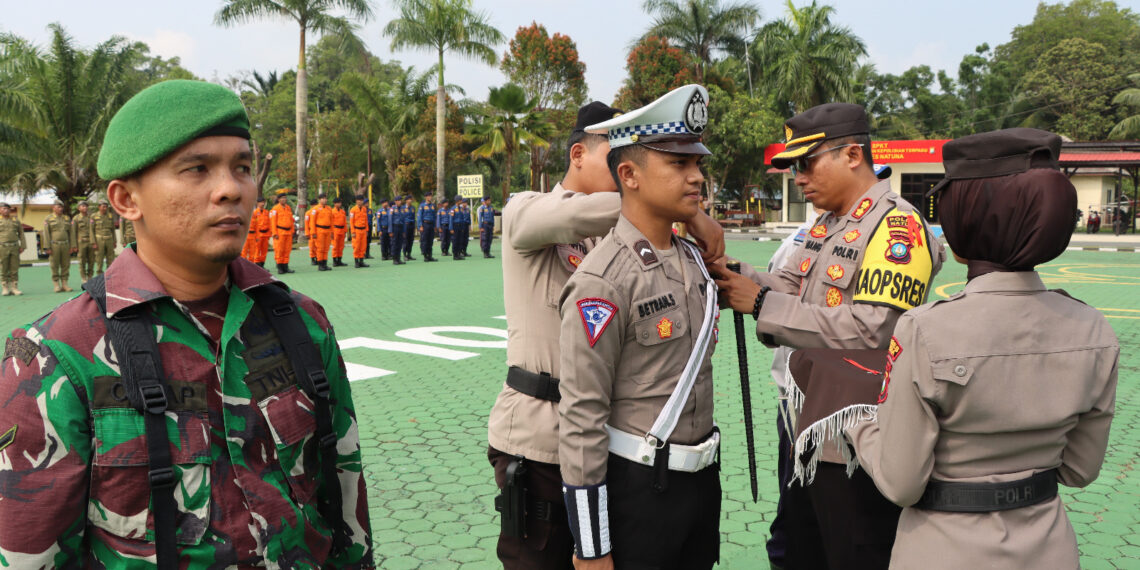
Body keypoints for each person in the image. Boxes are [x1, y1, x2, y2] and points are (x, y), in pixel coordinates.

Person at [0, 79, 373, 568]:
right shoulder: (56, 354)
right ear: (126, 200)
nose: (231, 189)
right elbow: (29, 551)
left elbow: (343, 489)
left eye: (242, 167)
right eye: (197, 169)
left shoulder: (301, 322)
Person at [842, 128, 1120, 569]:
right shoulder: (1094, 329)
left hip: (944, 548)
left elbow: (901, 483)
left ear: (966, 218)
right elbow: (1080, 469)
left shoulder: (925, 329)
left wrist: (859, 426)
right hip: (1049, 547)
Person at [488, 99, 726, 569]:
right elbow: (578, 215)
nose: (620, 168)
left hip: (607, 444)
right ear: (578, 154)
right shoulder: (526, 210)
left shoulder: (622, 236)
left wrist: (671, 202)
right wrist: (683, 209)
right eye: (613, 154)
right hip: (540, 438)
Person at [712, 103, 944, 570]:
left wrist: (759, 303)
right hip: (805, 421)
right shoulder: (827, 222)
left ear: (853, 155)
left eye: (807, 163)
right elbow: (790, 288)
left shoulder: (898, 227)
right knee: (795, 548)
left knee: (853, 551)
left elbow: (872, 330)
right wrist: (738, 275)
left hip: (858, 434)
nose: (799, 178)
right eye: (794, 167)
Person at [559, 85, 724, 570]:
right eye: (678, 163)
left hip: (701, 486)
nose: (697, 176)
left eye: (697, 163)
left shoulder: (693, 260)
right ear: (629, 175)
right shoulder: (603, 280)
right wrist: (592, 547)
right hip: (638, 491)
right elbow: (582, 417)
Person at [43, 198, 75, 292]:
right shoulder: (48, 219)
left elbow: (71, 233)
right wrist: (47, 247)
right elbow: (46, 234)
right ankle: (56, 284)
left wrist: (72, 246)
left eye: (61, 207)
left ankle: (65, 284)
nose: (60, 209)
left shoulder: (67, 218)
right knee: (54, 265)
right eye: (58, 207)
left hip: (65, 245)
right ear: (53, 208)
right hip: (54, 245)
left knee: (66, 265)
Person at [0, 202, 26, 296]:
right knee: (4, 268)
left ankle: (14, 287)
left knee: (14, 268)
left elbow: (21, 233)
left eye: (7, 209)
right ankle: (5, 288)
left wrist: (22, 246)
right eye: (4, 209)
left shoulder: (15, 220)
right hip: (2, 247)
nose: (6, 210)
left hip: (14, 247)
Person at [270, 192, 297, 274]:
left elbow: (291, 220)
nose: (284, 199)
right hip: (279, 232)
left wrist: (292, 231)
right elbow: (273, 222)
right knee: (279, 250)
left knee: (287, 250)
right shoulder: (275, 209)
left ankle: (286, 266)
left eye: (285, 198)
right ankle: (280, 267)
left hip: (288, 232)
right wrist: (274, 233)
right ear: (278, 199)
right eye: (282, 198)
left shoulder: (288, 208)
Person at [91, 199, 117, 275]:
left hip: (109, 239)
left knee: (111, 258)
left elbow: (113, 229)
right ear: (99, 207)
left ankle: (110, 275)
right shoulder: (94, 216)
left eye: (106, 206)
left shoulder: (110, 216)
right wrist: (93, 242)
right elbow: (91, 230)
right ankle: (99, 274)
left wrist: (114, 241)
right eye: (103, 206)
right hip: (99, 240)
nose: (105, 208)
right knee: (99, 258)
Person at [73, 200, 96, 282]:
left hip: (91, 242)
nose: (85, 207)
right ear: (79, 208)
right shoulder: (76, 218)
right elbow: (73, 232)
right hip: (81, 242)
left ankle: (90, 276)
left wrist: (94, 242)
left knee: (91, 260)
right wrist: (74, 245)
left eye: (86, 206)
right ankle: (83, 278)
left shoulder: (91, 217)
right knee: (82, 261)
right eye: (83, 206)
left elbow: (94, 230)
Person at [312, 193, 334, 271]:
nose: (325, 200)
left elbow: (331, 221)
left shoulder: (329, 208)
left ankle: (325, 264)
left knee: (326, 248)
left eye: (325, 198)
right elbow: (312, 222)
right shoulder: (315, 209)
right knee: (320, 248)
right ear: (319, 200)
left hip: (328, 230)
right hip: (319, 230)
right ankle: (320, 264)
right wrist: (313, 233)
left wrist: (332, 232)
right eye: (323, 198)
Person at [243, 195, 267, 264]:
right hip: (245, 235)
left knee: (252, 253)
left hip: (253, 236)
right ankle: (243, 267)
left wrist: (257, 236)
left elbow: (256, 226)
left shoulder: (254, 215)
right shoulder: (242, 214)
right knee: (244, 253)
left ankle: (251, 267)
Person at [349, 195, 370, 268]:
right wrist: (353, 232)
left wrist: (367, 230)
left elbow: (366, 220)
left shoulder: (364, 209)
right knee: (356, 246)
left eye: (362, 200)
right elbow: (351, 222)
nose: (360, 202)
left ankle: (361, 261)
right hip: (356, 230)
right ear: (356, 201)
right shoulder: (353, 210)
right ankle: (356, 262)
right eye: (359, 200)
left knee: (363, 246)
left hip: (363, 230)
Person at [417, 192, 438, 262]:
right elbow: (419, 216)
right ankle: (425, 256)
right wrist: (420, 226)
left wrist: (435, 226)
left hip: (431, 225)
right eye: (428, 196)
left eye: (431, 196)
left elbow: (434, 216)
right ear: (425, 197)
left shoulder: (433, 206)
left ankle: (430, 256)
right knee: (425, 240)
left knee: (430, 241)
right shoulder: (422, 206)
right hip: (425, 224)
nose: (430, 197)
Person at [254, 195, 272, 266]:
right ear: (257, 203)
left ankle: (262, 265)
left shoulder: (267, 212)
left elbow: (270, 223)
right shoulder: (255, 213)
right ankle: (257, 265)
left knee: (264, 251)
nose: (263, 204)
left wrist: (270, 234)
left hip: (266, 234)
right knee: (257, 250)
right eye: (261, 202)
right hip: (258, 234)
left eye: (263, 202)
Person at [388, 197, 405, 265]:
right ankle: (394, 259)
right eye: (398, 201)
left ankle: (398, 258)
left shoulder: (402, 209)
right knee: (394, 243)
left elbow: (403, 220)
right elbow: (390, 220)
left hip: (401, 227)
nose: (399, 202)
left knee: (400, 243)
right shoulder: (392, 209)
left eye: (400, 200)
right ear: (395, 202)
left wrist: (404, 231)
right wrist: (390, 231)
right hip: (395, 227)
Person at [402, 195, 417, 261]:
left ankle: (409, 254)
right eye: (409, 199)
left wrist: (414, 226)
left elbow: (413, 217)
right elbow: (402, 217)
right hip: (406, 225)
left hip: (411, 225)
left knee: (411, 240)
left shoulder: (413, 208)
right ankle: (405, 255)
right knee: (405, 240)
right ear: (406, 200)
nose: (410, 200)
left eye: (411, 199)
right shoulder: (403, 208)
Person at [305, 201, 318, 265]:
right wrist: (307, 233)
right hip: (311, 232)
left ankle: (318, 258)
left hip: (318, 231)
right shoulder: (308, 213)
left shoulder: (318, 212)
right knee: (312, 246)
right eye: (314, 205)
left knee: (318, 246)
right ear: (311, 206)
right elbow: (306, 223)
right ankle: (313, 258)